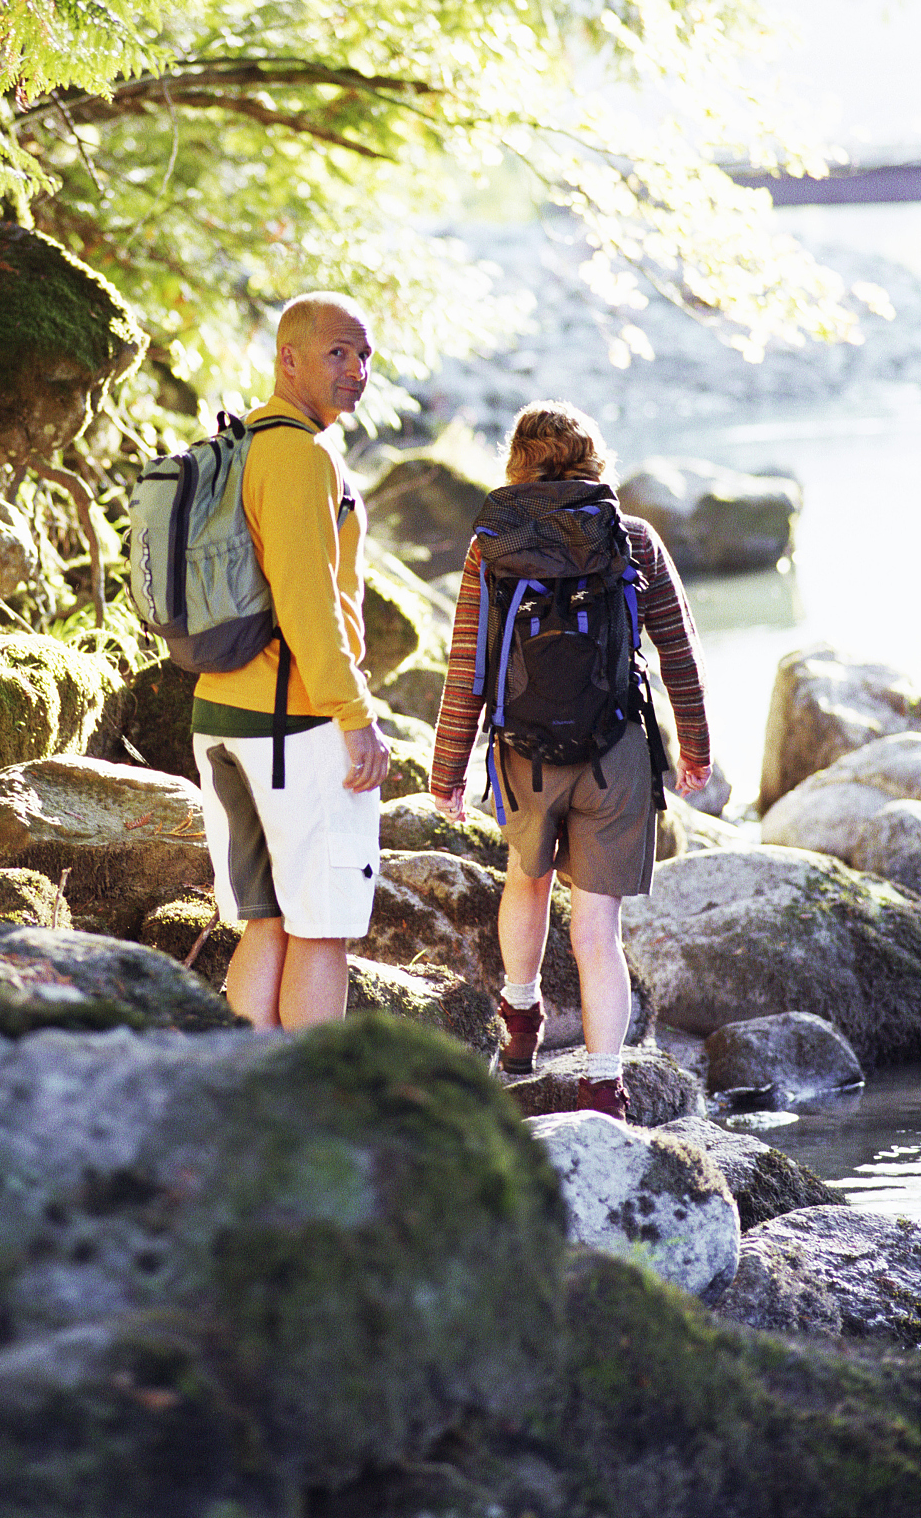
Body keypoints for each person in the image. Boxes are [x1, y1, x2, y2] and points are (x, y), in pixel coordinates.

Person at [429, 400, 712, 1118]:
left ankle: (520, 1021)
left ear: (516, 463)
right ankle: (602, 1082)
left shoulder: (491, 543)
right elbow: (677, 651)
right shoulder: (632, 537)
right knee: (596, 930)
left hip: (522, 755)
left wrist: (447, 766)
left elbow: (468, 662)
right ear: (593, 459)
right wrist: (696, 749)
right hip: (614, 752)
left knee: (524, 884)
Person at [193, 293, 392, 1030]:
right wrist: (355, 715)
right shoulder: (302, 458)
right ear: (289, 359)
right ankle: (319, 1110)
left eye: (364, 354)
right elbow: (309, 604)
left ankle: (252, 1097)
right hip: (294, 727)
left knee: (266, 918)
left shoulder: (239, 442)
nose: (356, 369)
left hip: (220, 717)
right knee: (322, 924)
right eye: (337, 352)